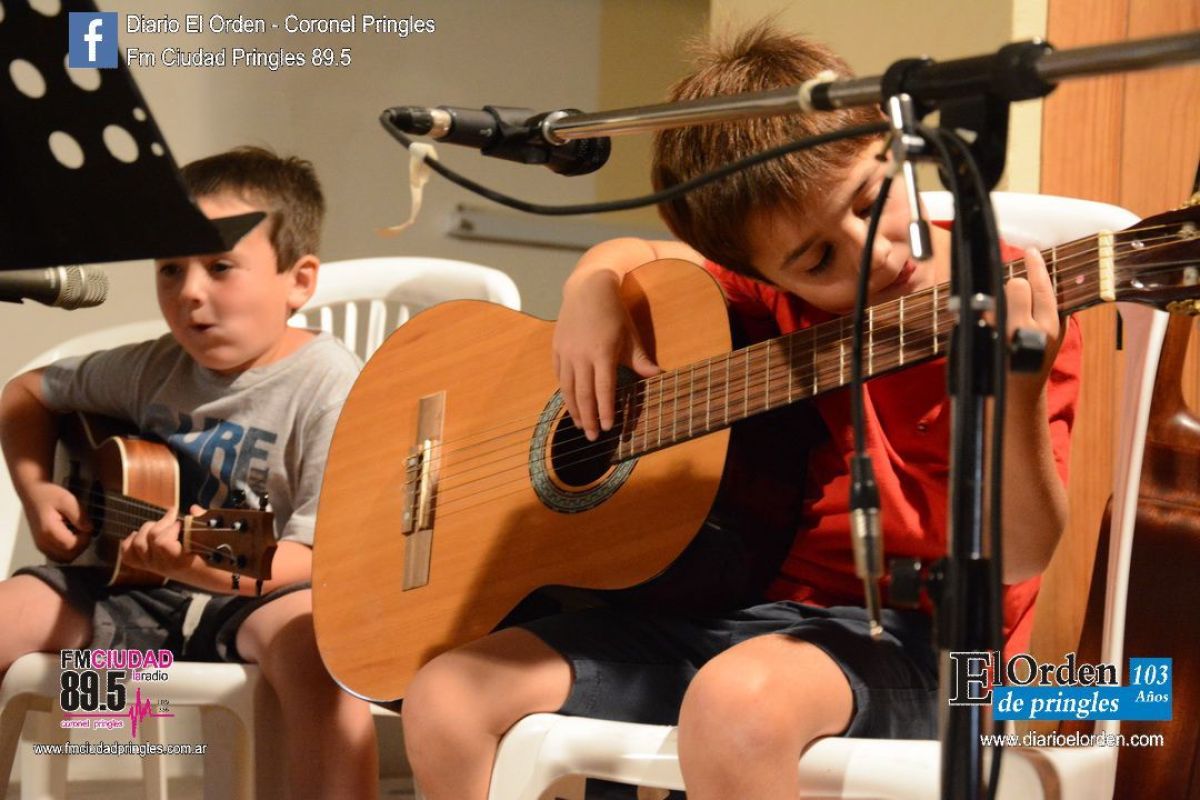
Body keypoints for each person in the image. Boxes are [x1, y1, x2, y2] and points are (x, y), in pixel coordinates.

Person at [401, 24, 1082, 800]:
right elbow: (648, 258)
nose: (874, 255)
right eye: (819, 258)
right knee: (446, 697)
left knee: (735, 704)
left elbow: (1022, 553)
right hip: (738, 618)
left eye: (872, 200)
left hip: (931, 647)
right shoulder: (772, 295)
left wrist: (1017, 388)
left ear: (896, 151)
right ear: (763, 273)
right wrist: (593, 284)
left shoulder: (1019, 298)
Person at [0, 147, 379, 799]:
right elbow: (26, 393)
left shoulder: (329, 382)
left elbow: (318, 557)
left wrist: (201, 559)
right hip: (135, 592)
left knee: (318, 651)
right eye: (170, 269)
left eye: (220, 266)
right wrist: (37, 491)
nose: (189, 292)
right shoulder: (153, 366)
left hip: (263, 600)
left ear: (300, 280)